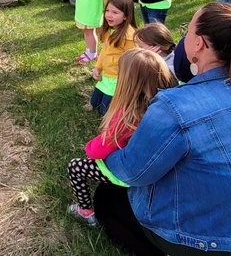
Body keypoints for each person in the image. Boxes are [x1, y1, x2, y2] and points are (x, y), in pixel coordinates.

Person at [94, 2, 231, 255]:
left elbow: (133, 172)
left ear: (199, 44)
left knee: (107, 197)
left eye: (187, 31)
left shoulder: (175, 105)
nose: (184, 38)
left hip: (209, 243)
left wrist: (106, 150)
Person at [67, 49, 176, 226]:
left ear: (128, 82)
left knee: (76, 167)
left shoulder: (128, 115)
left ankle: (85, 212)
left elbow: (98, 150)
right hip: (155, 170)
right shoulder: (162, 107)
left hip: (128, 174)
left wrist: (90, 147)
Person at [90, 0, 139, 115]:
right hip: (106, 76)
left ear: (126, 16)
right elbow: (104, 51)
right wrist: (98, 66)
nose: (109, 15)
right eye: (107, 10)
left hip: (117, 80)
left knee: (104, 111)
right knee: (94, 103)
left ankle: (124, 102)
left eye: (115, 12)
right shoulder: (109, 29)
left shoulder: (129, 37)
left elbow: (134, 62)